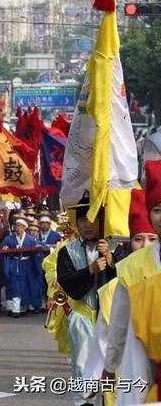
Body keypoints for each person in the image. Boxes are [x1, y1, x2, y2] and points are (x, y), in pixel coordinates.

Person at [82, 188, 158, 404]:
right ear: (128, 243)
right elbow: (107, 336)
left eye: (151, 239)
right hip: (136, 366)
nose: (145, 246)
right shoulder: (119, 282)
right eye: (138, 239)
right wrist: (102, 372)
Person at [101, 160, 161, 404]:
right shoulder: (131, 269)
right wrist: (109, 366)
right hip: (143, 360)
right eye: (158, 209)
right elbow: (118, 326)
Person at [57, 195, 118, 406]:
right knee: (81, 366)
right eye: (83, 220)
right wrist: (90, 270)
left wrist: (111, 261)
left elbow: (125, 279)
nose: (88, 224)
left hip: (111, 315)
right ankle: (83, 403)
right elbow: (66, 282)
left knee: (113, 365)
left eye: (92, 219)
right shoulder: (67, 251)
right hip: (83, 315)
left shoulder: (115, 248)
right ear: (77, 223)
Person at [0, 218, 42, 316]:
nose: (18, 228)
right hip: (14, 264)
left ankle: (24, 307)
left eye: (20, 226)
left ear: (24, 227)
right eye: (16, 225)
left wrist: (36, 250)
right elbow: (3, 246)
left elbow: (35, 250)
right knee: (15, 286)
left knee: (26, 286)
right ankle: (15, 310)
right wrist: (5, 247)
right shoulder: (9, 238)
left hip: (26, 264)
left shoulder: (30, 239)